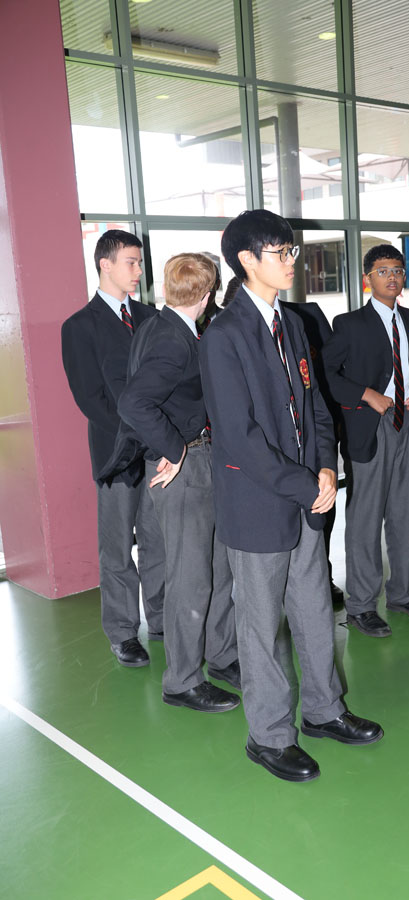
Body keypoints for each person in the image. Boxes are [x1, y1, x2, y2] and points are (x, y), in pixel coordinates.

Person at [199, 209, 383, 783]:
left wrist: (326, 468)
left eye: (291, 250)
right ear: (247, 260)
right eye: (280, 252)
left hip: (308, 497)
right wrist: (307, 485)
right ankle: (270, 736)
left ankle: (325, 711)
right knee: (260, 628)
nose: (291, 262)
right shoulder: (223, 336)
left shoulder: (294, 325)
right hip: (258, 505)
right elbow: (239, 437)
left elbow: (316, 406)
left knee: (313, 611)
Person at [100, 253, 240, 712]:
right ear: (208, 294)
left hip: (202, 462)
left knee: (217, 567)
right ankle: (182, 680)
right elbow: (134, 403)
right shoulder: (173, 339)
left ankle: (221, 655)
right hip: (186, 467)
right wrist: (175, 450)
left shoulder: (160, 326)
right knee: (191, 579)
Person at [322, 244, 409, 638]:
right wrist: (365, 394)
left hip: (406, 423)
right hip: (369, 427)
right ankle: (360, 606)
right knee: (365, 518)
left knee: (405, 514)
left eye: (398, 270)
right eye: (383, 271)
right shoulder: (349, 324)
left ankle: (403, 594)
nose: (392, 277)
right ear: (367, 279)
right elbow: (327, 375)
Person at [61, 229, 165, 667]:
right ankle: (123, 632)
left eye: (140, 262)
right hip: (116, 455)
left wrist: (161, 437)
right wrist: (138, 434)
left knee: (159, 542)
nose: (139, 271)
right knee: (118, 547)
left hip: (158, 453)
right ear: (105, 264)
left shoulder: (151, 317)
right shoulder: (79, 326)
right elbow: (90, 398)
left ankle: (162, 620)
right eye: (131, 262)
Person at [279, 298, 345, 605]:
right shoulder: (228, 327)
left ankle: (322, 575)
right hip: (269, 447)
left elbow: (328, 369)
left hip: (312, 432)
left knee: (321, 510)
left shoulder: (304, 315)